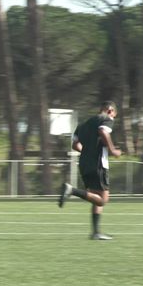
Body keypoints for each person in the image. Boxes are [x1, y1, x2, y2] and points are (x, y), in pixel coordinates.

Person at [58, 101, 123, 240]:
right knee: (103, 200)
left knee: (95, 197)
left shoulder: (84, 124)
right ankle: (71, 190)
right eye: (114, 115)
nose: (113, 119)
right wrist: (113, 150)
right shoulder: (106, 118)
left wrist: (88, 152)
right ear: (110, 111)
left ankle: (95, 232)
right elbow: (103, 131)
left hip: (84, 164)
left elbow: (75, 144)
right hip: (99, 164)